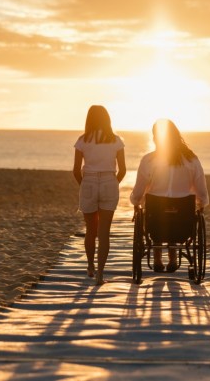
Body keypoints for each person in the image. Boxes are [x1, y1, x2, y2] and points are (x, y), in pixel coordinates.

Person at [130, 118, 209, 272]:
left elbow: (139, 190)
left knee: (155, 213)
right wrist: (202, 204)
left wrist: (135, 202)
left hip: (155, 216)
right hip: (183, 217)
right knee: (175, 212)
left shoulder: (149, 160)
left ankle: (157, 258)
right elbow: (201, 189)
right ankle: (173, 258)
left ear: (156, 137)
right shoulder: (191, 160)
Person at [73, 105, 126, 285]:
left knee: (90, 230)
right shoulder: (116, 141)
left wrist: (85, 185)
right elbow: (123, 170)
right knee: (104, 232)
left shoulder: (82, 140)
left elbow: (75, 170)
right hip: (109, 182)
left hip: (88, 182)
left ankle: (90, 266)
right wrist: (112, 183)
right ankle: (100, 275)